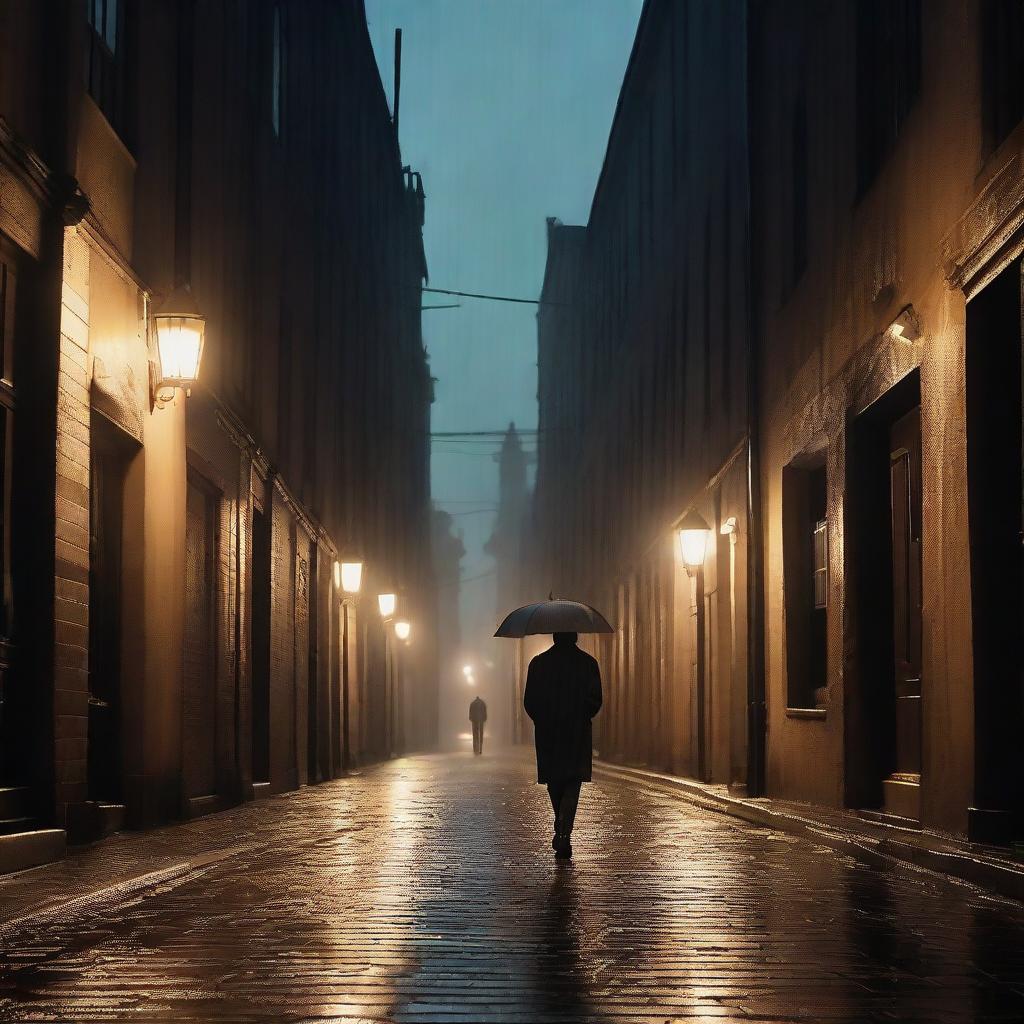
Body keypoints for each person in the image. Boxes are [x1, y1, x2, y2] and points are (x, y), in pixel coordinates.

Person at [523, 631, 603, 860]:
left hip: (548, 732)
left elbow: (530, 701)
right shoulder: (588, 664)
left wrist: (543, 718)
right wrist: (580, 715)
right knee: (573, 781)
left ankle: (562, 826)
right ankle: (564, 830)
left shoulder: (538, 664)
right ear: (575, 637)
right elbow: (595, 699)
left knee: (555, 782)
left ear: (555, 637)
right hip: (577, 732)